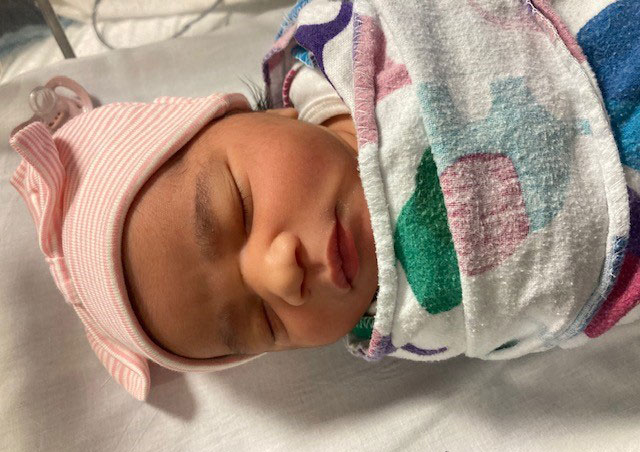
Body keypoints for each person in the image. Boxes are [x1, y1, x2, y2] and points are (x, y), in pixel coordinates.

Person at [9, 0, 640, 401]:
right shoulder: (401, 323)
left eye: (240, 208)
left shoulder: (348, 38)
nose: (280, 274)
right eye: (264, 323)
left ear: (246, 116)